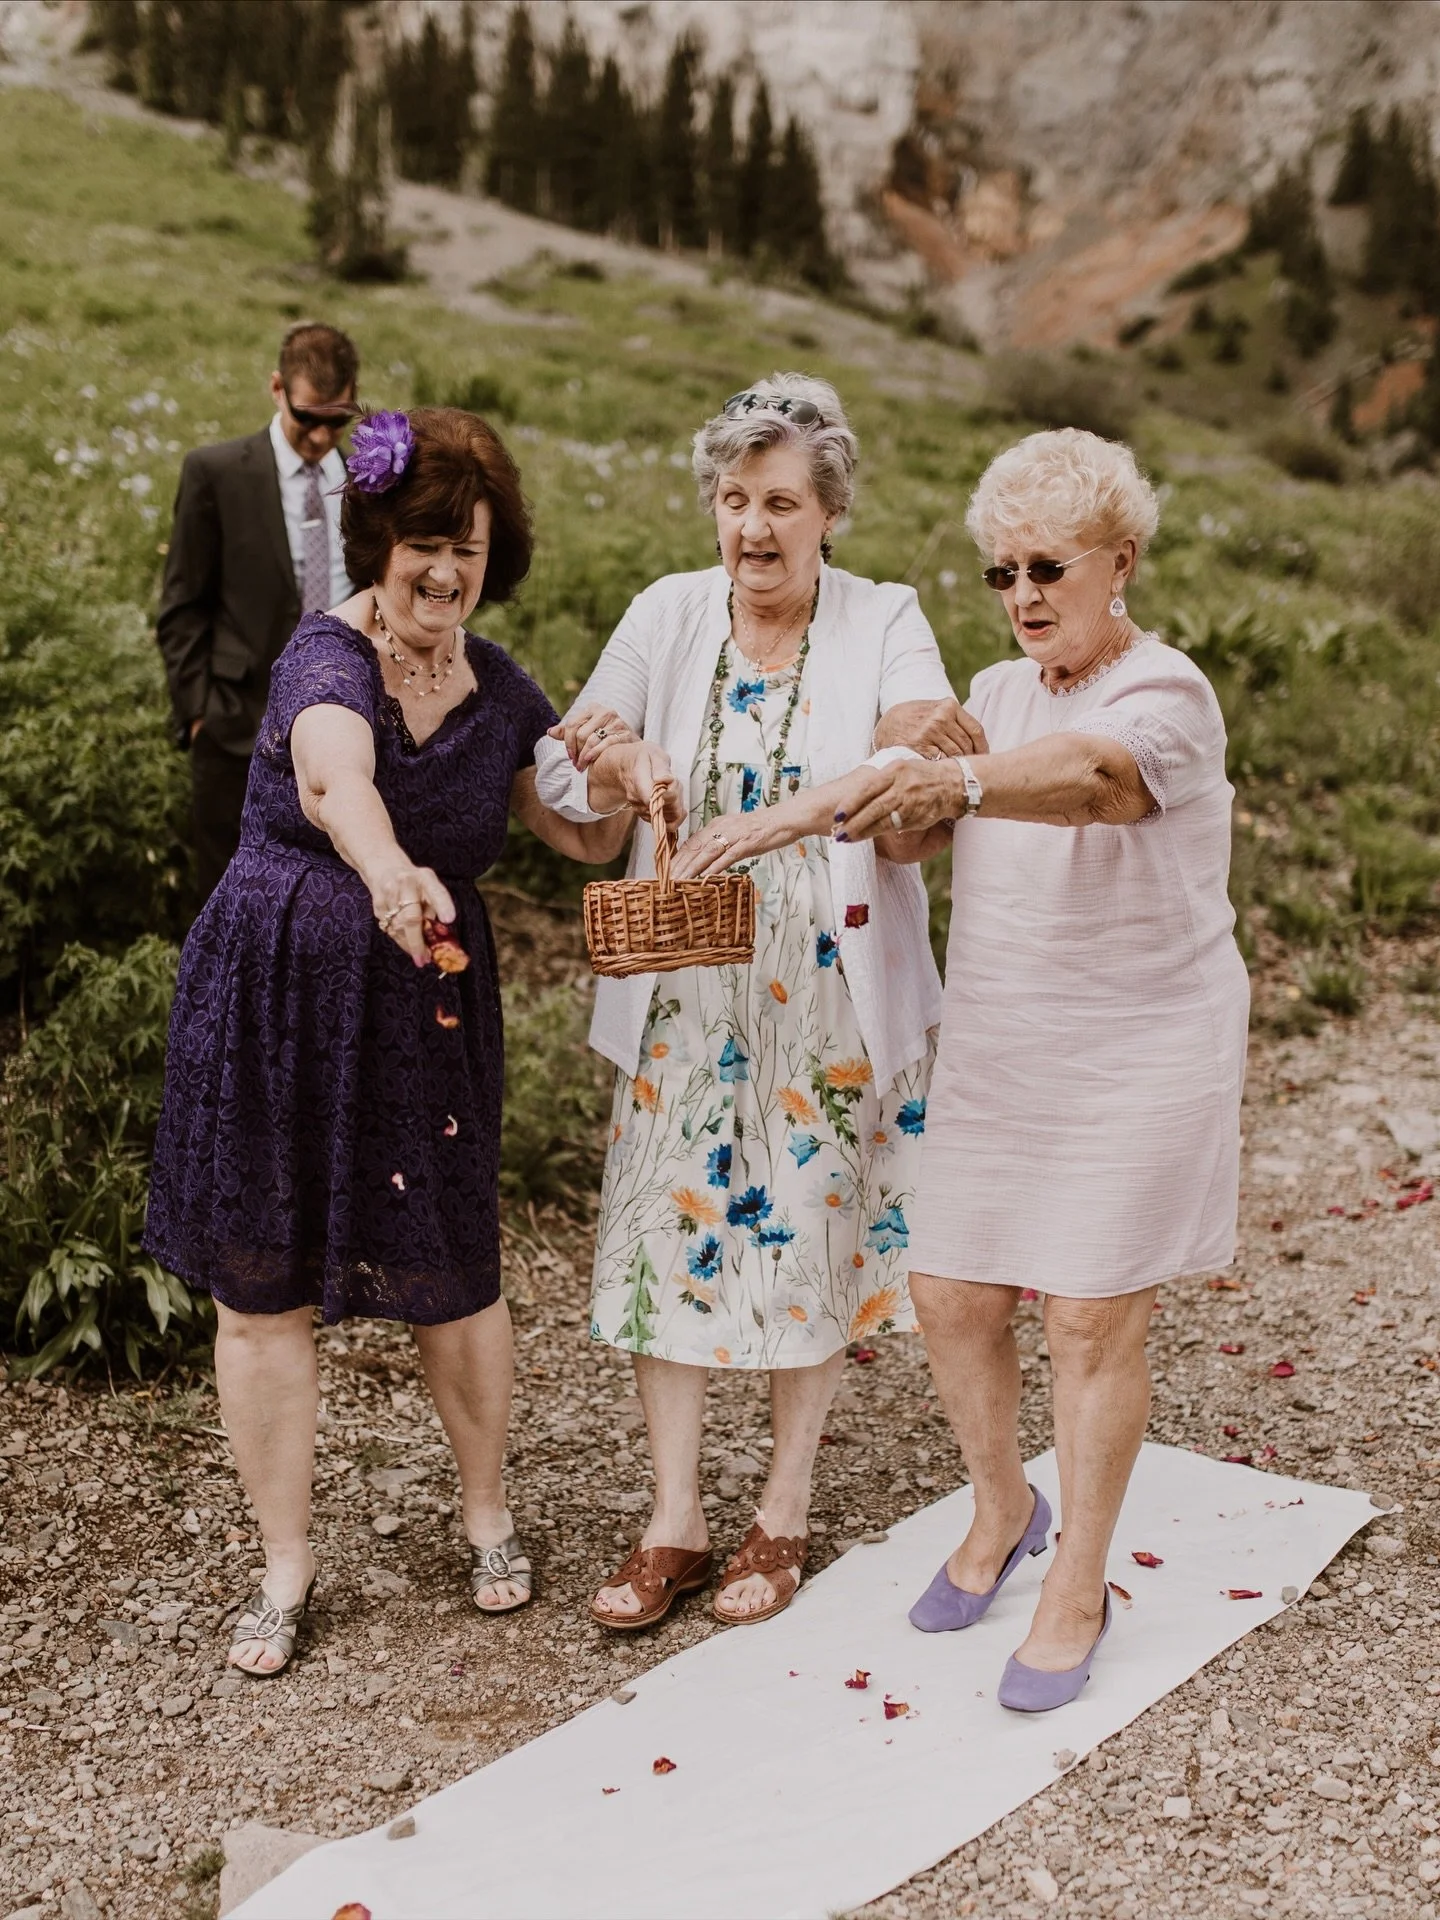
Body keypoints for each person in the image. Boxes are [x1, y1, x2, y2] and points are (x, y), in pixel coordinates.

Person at [703, 427, 1248, 1709]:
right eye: (1001, 576)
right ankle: (1005, 1505)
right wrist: (865, 802)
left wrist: (943, 776)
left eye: (1048, 568)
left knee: (1088, 1312)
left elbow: (1096, 781)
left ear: (1119, 562)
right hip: (1007, 1039)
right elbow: (913, 835)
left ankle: (1082, 1580)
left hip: (1142, 1042)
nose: (1023, 599)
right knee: (949, 1292)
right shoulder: (992, 699)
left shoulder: (1167, 692)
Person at [145, 407, 666, 1675]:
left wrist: (628, 776)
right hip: (282, 993)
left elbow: (582, 836)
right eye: (425, 543)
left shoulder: (504, 690)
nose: (444, 572)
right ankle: (284, 1562)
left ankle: (487, 1511)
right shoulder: (326, 657)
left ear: (495, 562)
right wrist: (386, 869)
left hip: (427, 1010)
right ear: (379, 540)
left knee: (457, 1270)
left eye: (469, 551)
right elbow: (336, 778)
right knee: (263, 1293)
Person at [535, 374, 975, 1631]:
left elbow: (913, 748)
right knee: (669, 1239)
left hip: (824, 989)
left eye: (781, 500)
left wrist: (830, 789)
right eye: (734, 499)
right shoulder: (670, 611)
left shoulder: (884, 613)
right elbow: (582, 747)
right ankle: (674, 1516)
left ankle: (782, 1507)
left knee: (814, 1234)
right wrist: (629, 758)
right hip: (685, 990)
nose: (753, 526)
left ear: (829, 512)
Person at [156, 321, 361, 902]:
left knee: (324, 902)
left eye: (337, 420)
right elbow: (181, 607)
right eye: (308, 418)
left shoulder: (367, 486)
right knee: (224, 901)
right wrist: (199, 715)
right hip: (235, 727)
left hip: (343, 730)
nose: (322, 437)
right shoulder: (215, 473)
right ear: (277, 389)